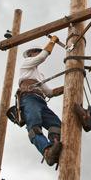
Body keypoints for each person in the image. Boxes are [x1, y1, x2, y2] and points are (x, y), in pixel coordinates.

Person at [17, 35, 65, 166]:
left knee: (56, 125)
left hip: (40, 101)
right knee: (34, 127)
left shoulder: (39, 75)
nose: (38, 53)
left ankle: (55, 146)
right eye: (36, 52)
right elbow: (43, 56)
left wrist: (68, 86)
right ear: (30, 55)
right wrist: (52, 41)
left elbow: (49, 93)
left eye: (38, 51)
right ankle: (47, 151)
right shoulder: (26, 64)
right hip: (29, 98)